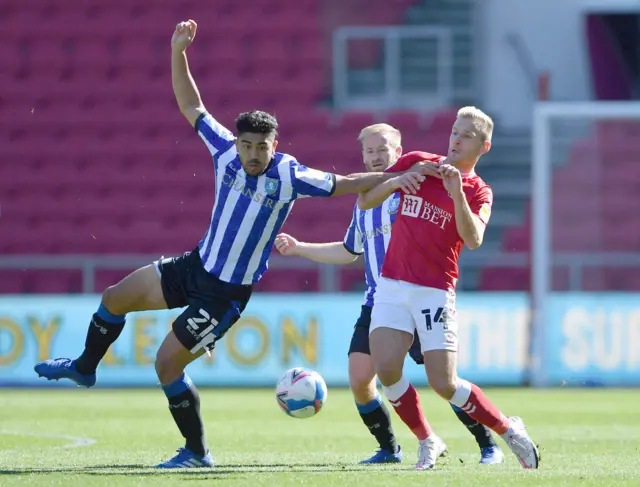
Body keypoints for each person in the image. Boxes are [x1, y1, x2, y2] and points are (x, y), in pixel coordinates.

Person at [33, 20, 430, 469]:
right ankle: (86, 367)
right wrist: (177, 51)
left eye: (262, 146)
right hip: (194, 266)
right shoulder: (223, 151)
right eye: (247, 146)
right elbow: (191, 105)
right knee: (113, 298)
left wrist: (394, 177)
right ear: (238, 143)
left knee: (165, 366)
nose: (254, 154)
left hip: (223, 296)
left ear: (274, 144)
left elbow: (345, 183)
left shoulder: (289, 174)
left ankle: (197, 453)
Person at [274, 123, 503, 468]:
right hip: (378, 301)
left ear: (400, 153)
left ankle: (488, 444)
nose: (377, 157)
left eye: (384, 150)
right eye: (370, 152)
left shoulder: (414, 188)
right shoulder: (365, 201)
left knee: (444, 382)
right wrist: (301, 248)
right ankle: (390, 448)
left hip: (417, 295)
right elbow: (351, 250)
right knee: (359, 378)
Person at [357, 107, 540, 470]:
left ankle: (507, 428)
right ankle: (427, 440)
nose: (457, 138)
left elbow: (473, 239)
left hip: (434, 290)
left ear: (484, 147)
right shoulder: (418, 161)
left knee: (444, 383)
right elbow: (365, 200)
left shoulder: (479, 191)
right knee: (387, 369)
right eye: (456, 131)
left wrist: (457, 193)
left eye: (467, 135)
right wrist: (398, 180)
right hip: (392, 284)